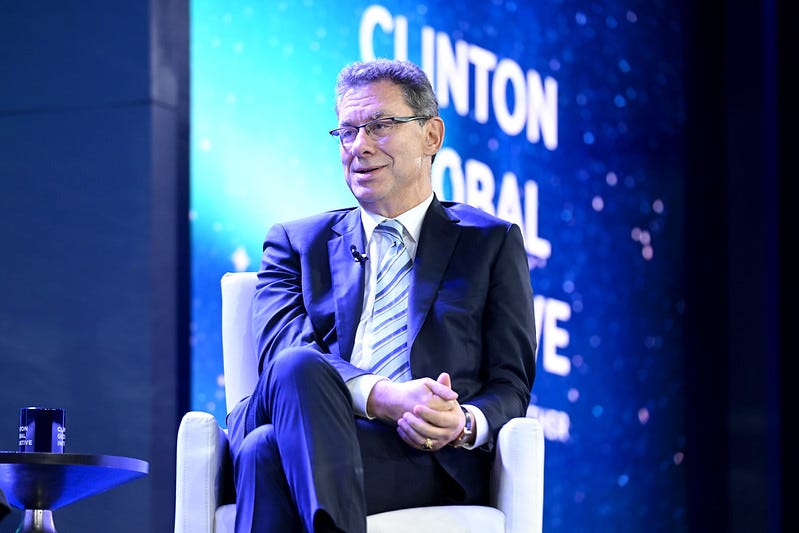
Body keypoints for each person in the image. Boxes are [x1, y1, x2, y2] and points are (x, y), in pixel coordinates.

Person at [226, 58, 536, 533]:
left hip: (419, 457)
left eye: (380, 126)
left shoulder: (489, 244)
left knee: (263, 454)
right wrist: (386, 397)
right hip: (309, 422)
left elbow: (511, 383)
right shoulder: (294, 242)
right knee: (295, 365)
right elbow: (279, 359)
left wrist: (464, 423)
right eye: (347, 132)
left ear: (431, 136)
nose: (359, 147)